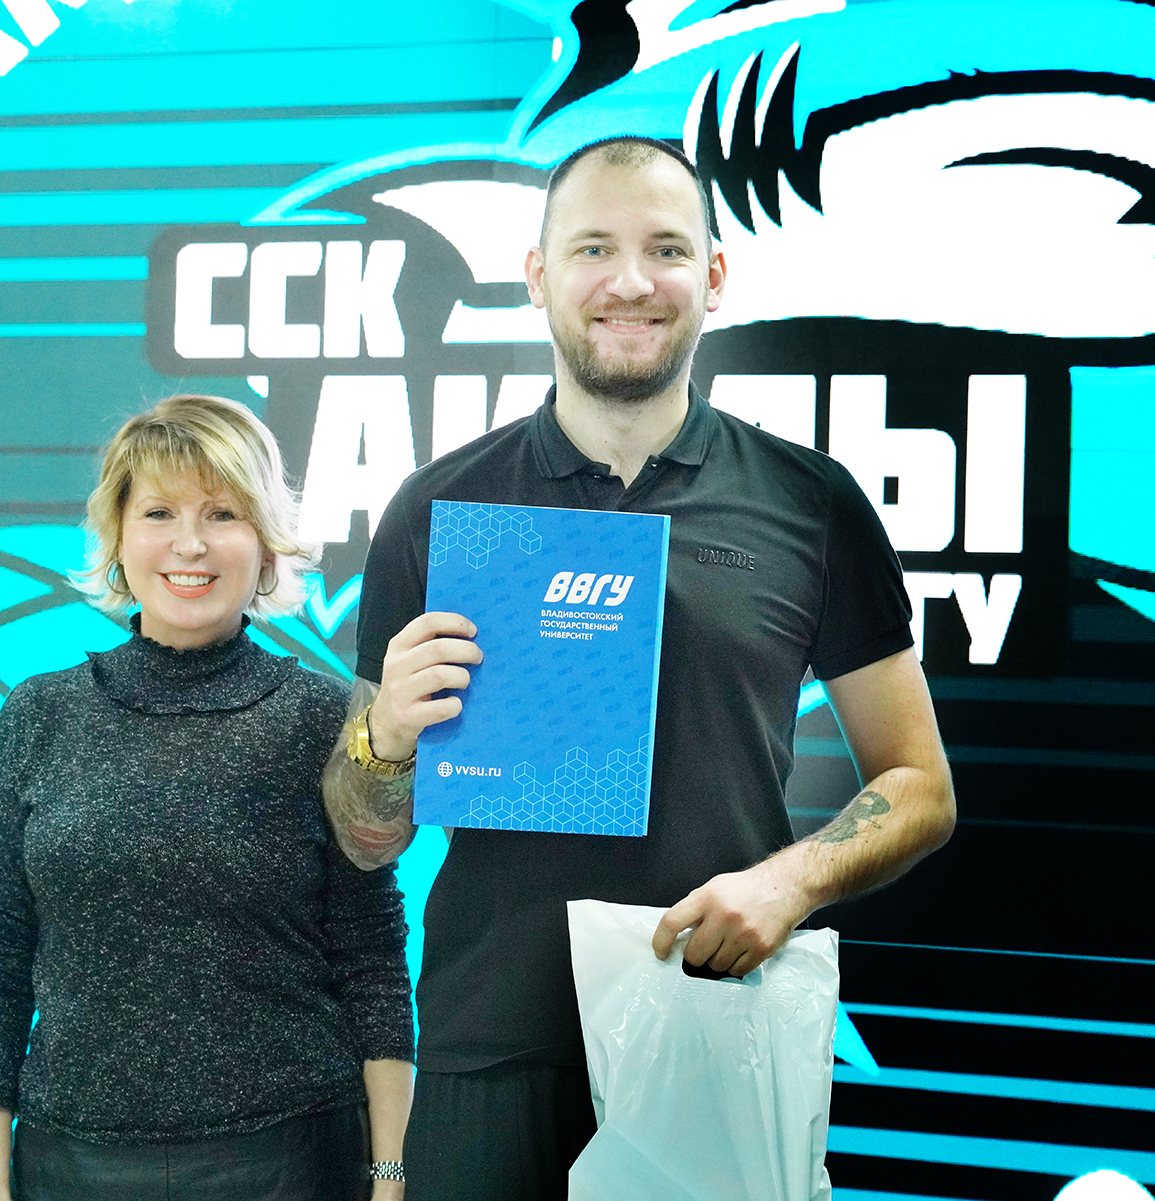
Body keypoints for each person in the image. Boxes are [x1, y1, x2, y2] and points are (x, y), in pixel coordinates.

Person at [321, 137, 957, 1199]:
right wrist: (383, 737)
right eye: (593, 249)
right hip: (491, 1041)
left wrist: (789, 881)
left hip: (713, 1015)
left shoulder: (809, 501)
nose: (629, 281)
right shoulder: (437, 510)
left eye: (666, 248)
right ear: (538, 277)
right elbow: (362, 833)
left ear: (714, 276)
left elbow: (921, 784)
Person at [0, 394, 415, 1201]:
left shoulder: (324, 718)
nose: (190, 543)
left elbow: (372, 958)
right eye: (159, 512)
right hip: (70, 1168)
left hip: (291, 1164)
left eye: (223, 513)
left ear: (266, 545)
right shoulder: (37, 715)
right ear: (118, 538)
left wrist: (390, 1176)